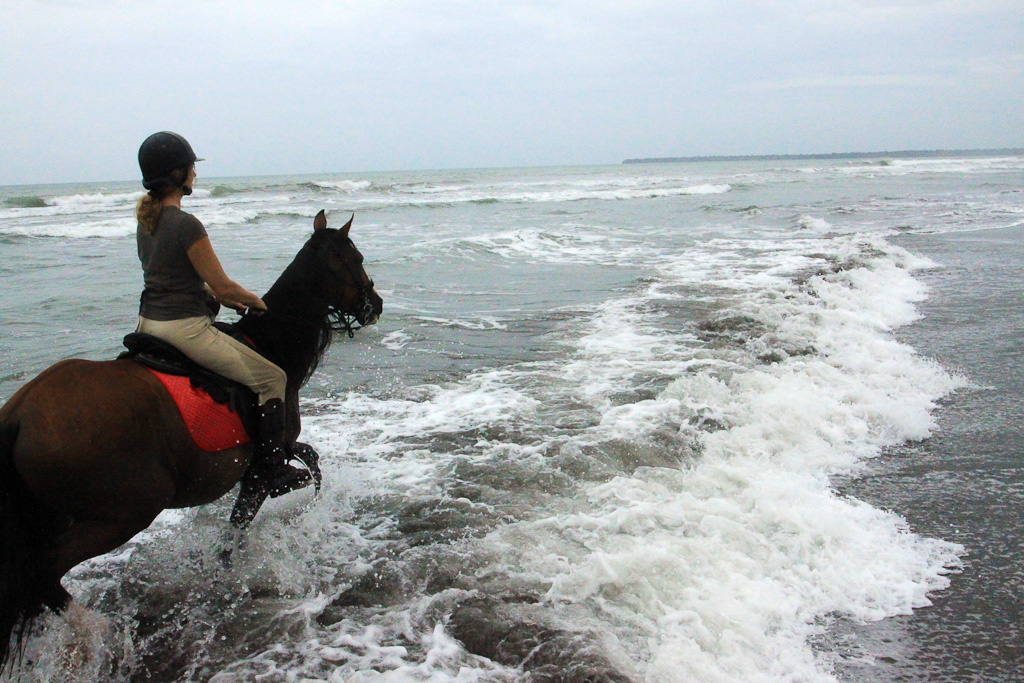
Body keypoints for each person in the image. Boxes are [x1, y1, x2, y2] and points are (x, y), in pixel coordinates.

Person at [134, 131, 309, 496]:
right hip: (185, 330)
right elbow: (226, 288)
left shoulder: (146, 222)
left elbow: (172, 277)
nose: (195, 173)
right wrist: (261, 304)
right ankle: (272, 469)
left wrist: (210, 292)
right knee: (272, 379)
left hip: (146, 324)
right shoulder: (186, 225)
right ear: (178, 174)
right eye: (191, 167)